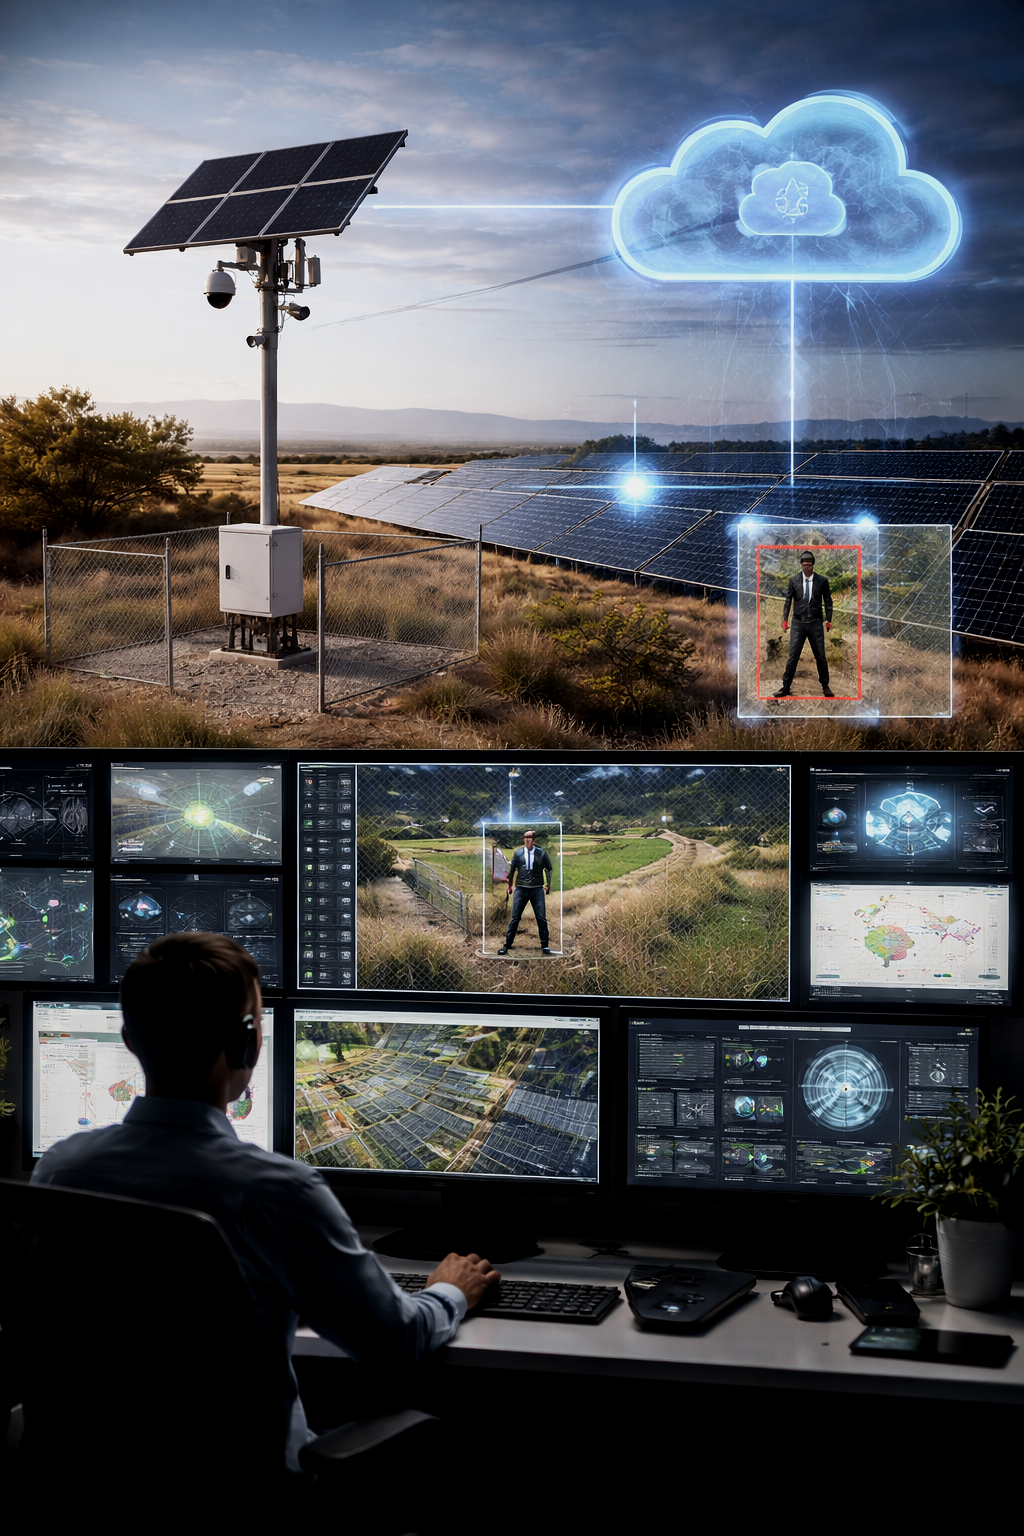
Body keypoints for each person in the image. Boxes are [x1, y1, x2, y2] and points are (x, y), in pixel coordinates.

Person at [31, 932, 499, 1472]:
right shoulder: (279, 1193)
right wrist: (450, 1292)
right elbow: (394, 1346)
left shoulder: (60, 1171)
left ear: (130, 1039)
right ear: (248, 1046)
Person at [773, 549, 835, 698]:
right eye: (804, 564)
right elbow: (788, 600)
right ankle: (785, 687)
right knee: (793, 656)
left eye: (809, 564)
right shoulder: (793, 580)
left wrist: (829, 619)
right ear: (801, 565)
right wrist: (784, 619)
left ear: (813, 565)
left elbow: (828, 601)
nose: (807, 567)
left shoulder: (822, 581)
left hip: (815, 623)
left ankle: (825, 686)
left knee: (820, 656)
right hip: (798, 624)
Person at [498, 829, 554, 955]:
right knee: (515, 917)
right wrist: (510, 885)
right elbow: (512, 869)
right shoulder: (518, 853)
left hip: (537, 889)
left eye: (529, 838)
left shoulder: (542, 854)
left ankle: (544, 945)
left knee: (541, 917)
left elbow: (548, 869)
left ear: (534, 840)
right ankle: (507, 944)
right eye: (525, 838)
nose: (527, 840)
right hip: (521, 888)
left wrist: (548, 885)